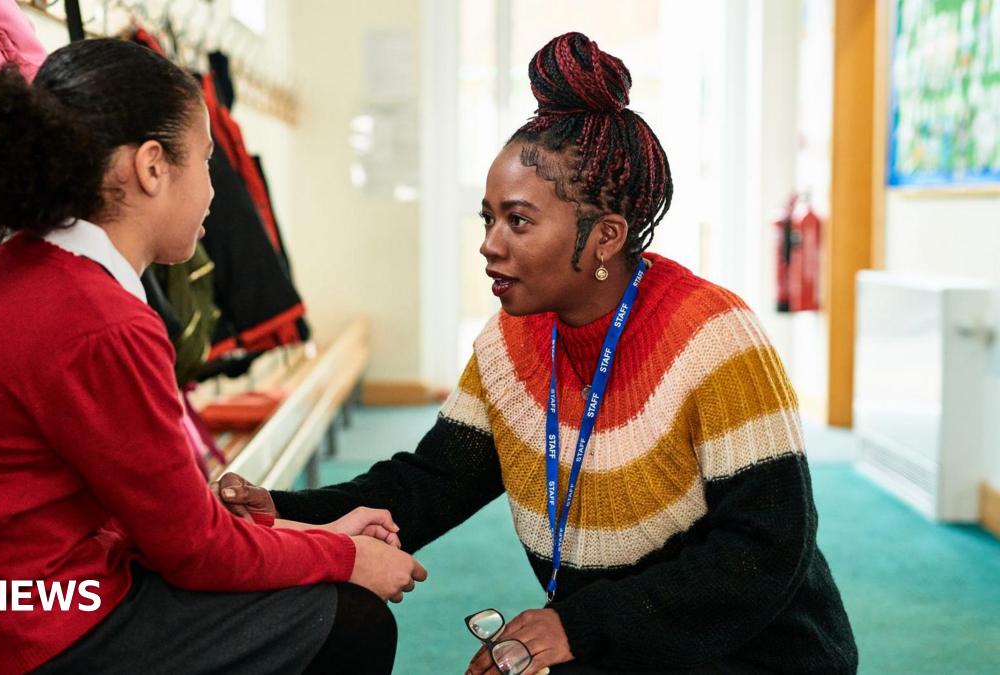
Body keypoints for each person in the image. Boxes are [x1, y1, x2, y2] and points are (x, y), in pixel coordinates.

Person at [218, 32, 858, 674]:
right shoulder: (511, 339)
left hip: (756, 652)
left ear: (604, 237)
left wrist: (576, 626)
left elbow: (766, 549)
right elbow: (433, 481)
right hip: (622, 638)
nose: (490, 245)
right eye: (487, 218)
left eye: (517, 221)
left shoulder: (714, 336)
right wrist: (285, 511)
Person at [0, 38, 425, 675]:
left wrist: (318, 535)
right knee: (348, 620)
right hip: (7, 638)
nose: (215, 192)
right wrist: (348, 559)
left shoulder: (30, 270)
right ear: (153, 167)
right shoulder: (99, 320)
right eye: (207, 162)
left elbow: (160, 525)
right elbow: (195, 553)